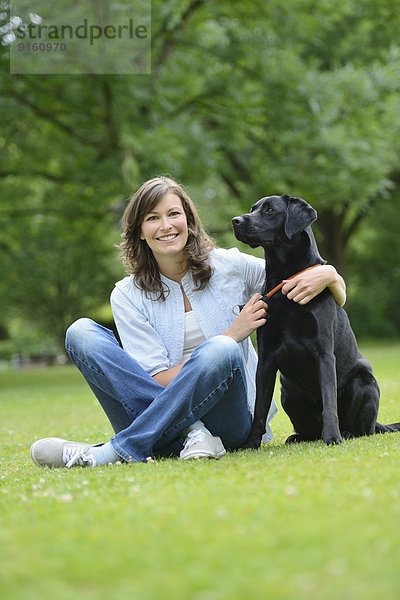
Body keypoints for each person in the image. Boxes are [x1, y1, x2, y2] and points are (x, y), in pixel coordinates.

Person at [30, 176, 346, 468]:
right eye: (152, 218)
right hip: (156, 410)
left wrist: (329, 274)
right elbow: (153, 381)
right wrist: (234, 333)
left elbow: (306, 279)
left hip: (230, 422)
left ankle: (111, 452)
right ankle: (191, 435)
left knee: (221, 350)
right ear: (140, 230)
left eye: (173, 214)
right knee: (81, 332)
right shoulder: (126, 295)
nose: (165, 225)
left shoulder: (229, 266)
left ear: (189, 221)